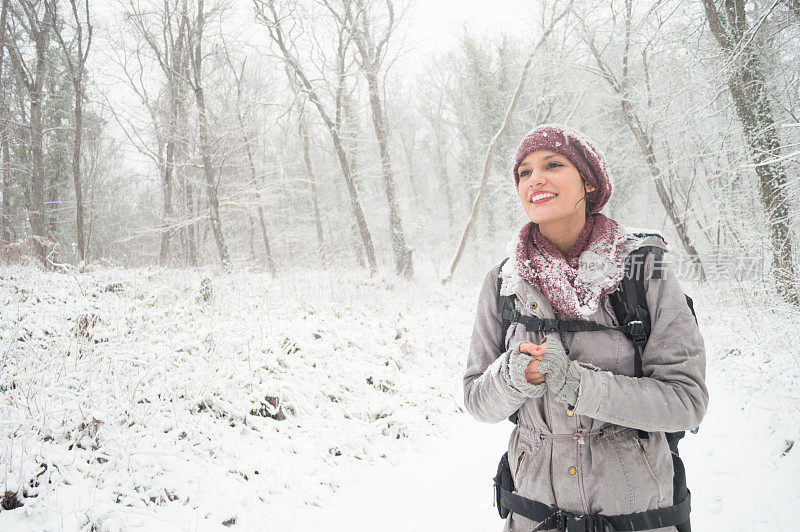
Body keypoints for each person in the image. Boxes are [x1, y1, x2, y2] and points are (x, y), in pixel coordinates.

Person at [463, 124, 708, 531]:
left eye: (552, 164)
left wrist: (579, 386)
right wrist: (512, 377)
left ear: (588, 182)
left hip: (638, 516)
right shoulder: (503, 282)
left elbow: (686, 399)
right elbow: (476, 399)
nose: (534, 179)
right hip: (532, 516)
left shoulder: (643, 267)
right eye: (524, 172)